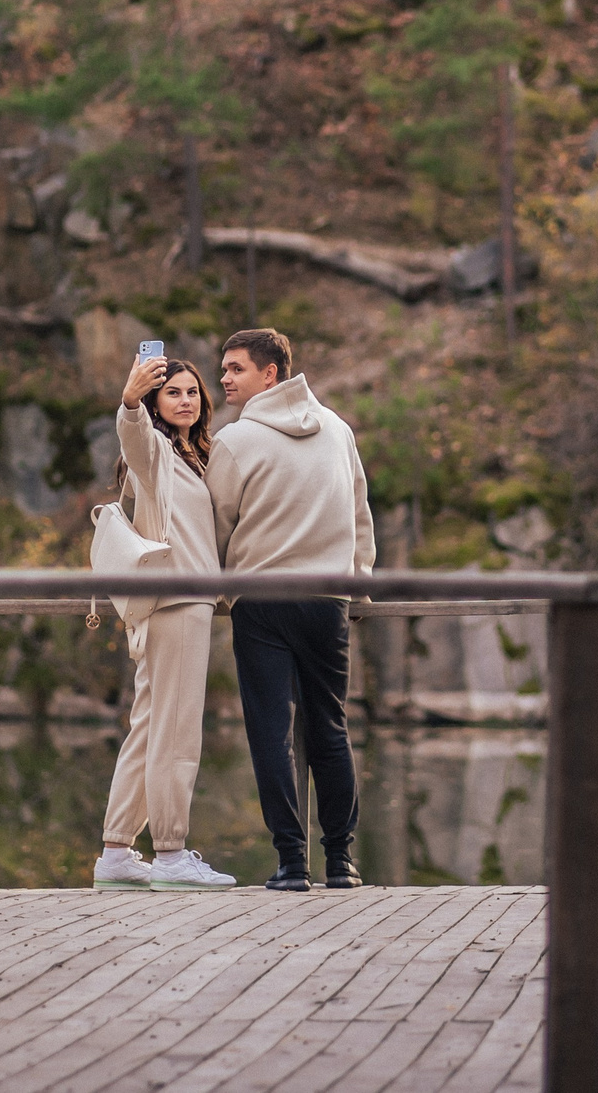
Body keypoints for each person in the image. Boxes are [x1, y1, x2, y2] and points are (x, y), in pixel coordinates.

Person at [207, 327, 376, 891]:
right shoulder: (338, 429)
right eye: (224, 369)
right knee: (330, 727)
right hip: (328, 599)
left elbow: (217, 524)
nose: (224, 378)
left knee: (271, 731)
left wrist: (223, 586)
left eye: (235, 368)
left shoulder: (235, 440)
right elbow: (359, 517)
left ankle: (291, 863)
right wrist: (360, 586)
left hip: (262, 600)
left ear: (270, 373)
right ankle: (342, 861)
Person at [92, 355, 237, 891]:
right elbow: (134, 436)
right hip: (178, 602)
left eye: (192, 392)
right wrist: (130, 401)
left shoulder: (195, 455)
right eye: (172, 392)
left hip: (177, 604)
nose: (185, 400)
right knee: (175, 731)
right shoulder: (154, 451)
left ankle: (116, 852)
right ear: (156, 403)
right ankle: (172, 854)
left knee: (151, 727)